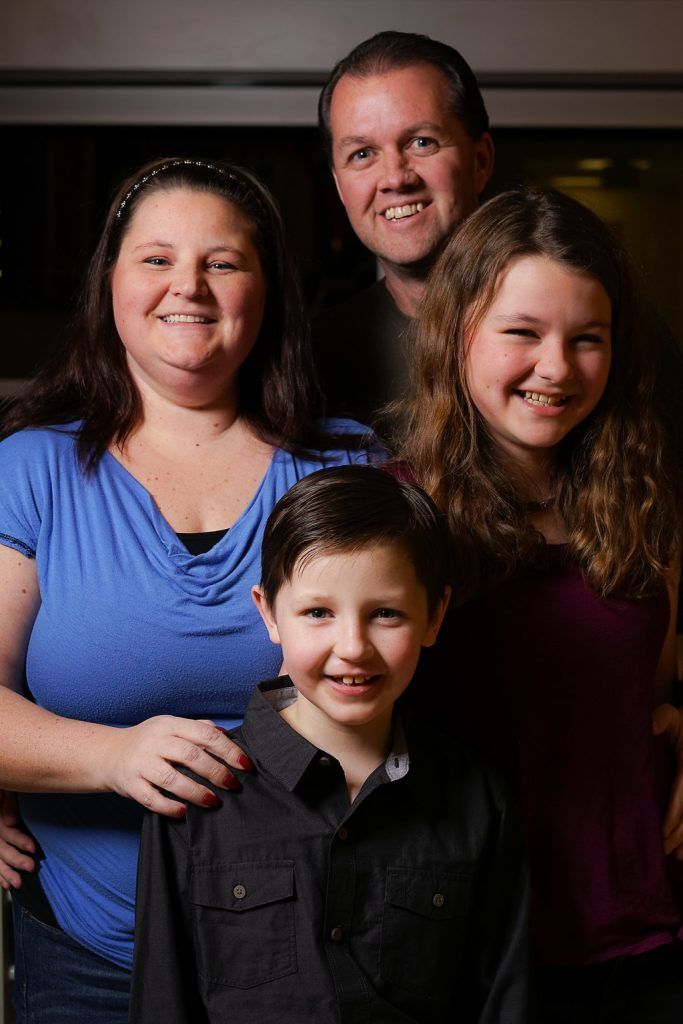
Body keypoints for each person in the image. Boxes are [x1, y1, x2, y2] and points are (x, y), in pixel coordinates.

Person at [0, 156, 372, 1022]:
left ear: (269, 290)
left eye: (224, 262)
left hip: (312, 942)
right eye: (157, 258)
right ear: (112, 285)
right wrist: (108, 757)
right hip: (92, 955)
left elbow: (426, 685)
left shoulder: (348, 466)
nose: (189, 287)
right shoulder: (30, 471)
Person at [395, 186, 683, 1022]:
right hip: (469, 950)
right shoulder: (397, 519)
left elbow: (653, 699)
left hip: (646, 934)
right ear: (456, 336)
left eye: (585, 339)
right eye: (520, 333)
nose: (555, 368)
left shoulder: (646, 508)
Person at [129, 464, 532, 1024]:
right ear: (268, 612)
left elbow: (500, 1000)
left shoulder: (479, 800)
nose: (353, 648)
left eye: (385, 614)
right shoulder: (195, 794)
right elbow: (163, 1001)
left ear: (435, 615)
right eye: (318, 613)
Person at [313, 30, 494, 423]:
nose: (395, 178)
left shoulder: (578, 330)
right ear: (339, 185)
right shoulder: (310, 362)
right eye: (362, 154)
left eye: (422, 143)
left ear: (480, 161)